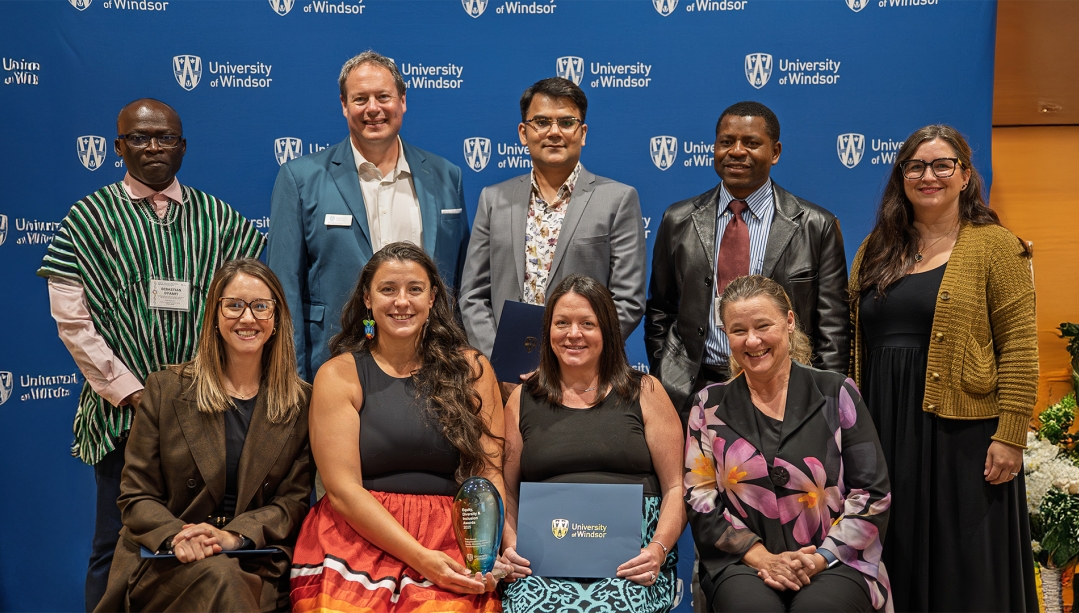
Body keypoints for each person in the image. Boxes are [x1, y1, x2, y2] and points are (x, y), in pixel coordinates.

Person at [37, 98, 266, 611]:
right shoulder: (87, 220)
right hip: (122, 414)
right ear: (118, 147)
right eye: (140, 138)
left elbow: (246, 311)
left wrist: (211, 390)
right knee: (114, 542)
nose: (154, 147)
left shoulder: (223, 220)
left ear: (183, 146)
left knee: (204, 539)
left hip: (210, 412)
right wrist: (135, 394)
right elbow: (74, 323)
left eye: (166, 137)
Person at [850, 124, 1038, 612]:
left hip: (967, 434)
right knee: (896, 553)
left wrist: (1011, 434)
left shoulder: (996, 245)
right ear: (901, 176)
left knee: (968, 562)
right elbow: (857, 343)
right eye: (915, 166)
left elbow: (1019, 346)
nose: (928, 175)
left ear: (964, 175)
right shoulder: (876, 249)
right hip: (886, 426)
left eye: (941, 165)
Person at [290, 242, 506, 612]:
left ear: (433, 298)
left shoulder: (472, 369)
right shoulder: (339, 374)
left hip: (453, 534)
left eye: (415, 289)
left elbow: (488, 475)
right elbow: (342, 492)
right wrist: (422, 559)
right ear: (367, 300)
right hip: (357, 533)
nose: (401, 301)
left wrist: (486, 553)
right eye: (388, 289)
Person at [94, 259, 313, 612]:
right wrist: (178, 536)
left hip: (253, 556)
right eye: (234, 305)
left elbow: (292, 504)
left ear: (276, 319)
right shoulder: (166, 389)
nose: (247, 318)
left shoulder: (301, 402)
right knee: (220, 577)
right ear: (214, 314)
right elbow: (136, 497)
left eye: (261, 306)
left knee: (227, 576)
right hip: (165, 560)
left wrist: (233, 536)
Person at [685, 275, 891, 612]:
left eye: (763, 325)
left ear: (789, 322)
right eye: (738, 330)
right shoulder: (707, 406)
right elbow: (700, 500)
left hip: (837, 560)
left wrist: (821, 558)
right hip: (743, 564)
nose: (752, 341)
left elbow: (872, 494)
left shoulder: (837, 392)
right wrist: (763, 558)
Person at [268, 50, 470, 383]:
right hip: (335, 358)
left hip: (431, 362)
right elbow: (283, 286)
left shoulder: (447, 176)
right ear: (344, 105)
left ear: (403, 100)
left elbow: (460, 283)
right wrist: (292, 379)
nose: (373, 108)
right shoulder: (300, 178)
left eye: (383, 97)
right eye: (360, 99)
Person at [646, 101, 849, 422]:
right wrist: (664, 371)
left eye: (751, 143)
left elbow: (833, 325)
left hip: (784, 391)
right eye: (726, 142)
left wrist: (822, 397)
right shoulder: (678, 219)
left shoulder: (815, 225)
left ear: (776, 151)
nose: (736, 151)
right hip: (691, 391)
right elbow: (660, 309)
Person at [500, 274, 685, 612]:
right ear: (548, 331)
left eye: (588, 323)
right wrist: (511, 544)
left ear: (607, 332)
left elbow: (676, 487)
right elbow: (508, 491)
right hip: (543, 559)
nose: (574, 334)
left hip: (632, 560)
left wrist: (657, 549)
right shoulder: (522, 399)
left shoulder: (646, 392)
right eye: (562, 323)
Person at [460, 77, 647, 390]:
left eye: (567, 122)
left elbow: (627, 299)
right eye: (542, 122)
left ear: (582, 133)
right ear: (523, 132)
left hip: (586, 379)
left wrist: (572, 361)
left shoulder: (618, 199)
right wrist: (500, 361)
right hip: (506, 381)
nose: (554, 132)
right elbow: (473, 294)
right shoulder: (494, 200)